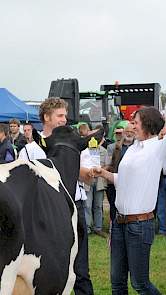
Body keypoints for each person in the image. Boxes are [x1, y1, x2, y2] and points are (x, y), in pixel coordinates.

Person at [92, 106, 166, 294]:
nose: (131, 126)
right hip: (119, 223)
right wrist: (104, 173)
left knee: (140, 283)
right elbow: (122, 180)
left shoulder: (158, 148)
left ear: (148, 124)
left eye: (135, 122)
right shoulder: (133, 148)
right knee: (117, 283)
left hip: (139, 226)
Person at [24, 97, 94, 294]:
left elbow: (85, 174)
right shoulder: (30, 149)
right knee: (46, 264)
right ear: (46, 117)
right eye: (60, 115)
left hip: (74, 206)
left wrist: (89, 173)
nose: (64, 119)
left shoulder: (77, 143)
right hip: (42, 213)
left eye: (65, 115)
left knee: (80, 268)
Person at [83, 125, 109, 238]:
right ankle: (87, 227)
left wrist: (101, 171)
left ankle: (98, 228)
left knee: (98, 205)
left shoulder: (103, 151)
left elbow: (107, 165)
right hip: (88, 180)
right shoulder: (84, 151)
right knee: (87, 205)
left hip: (99, 181)